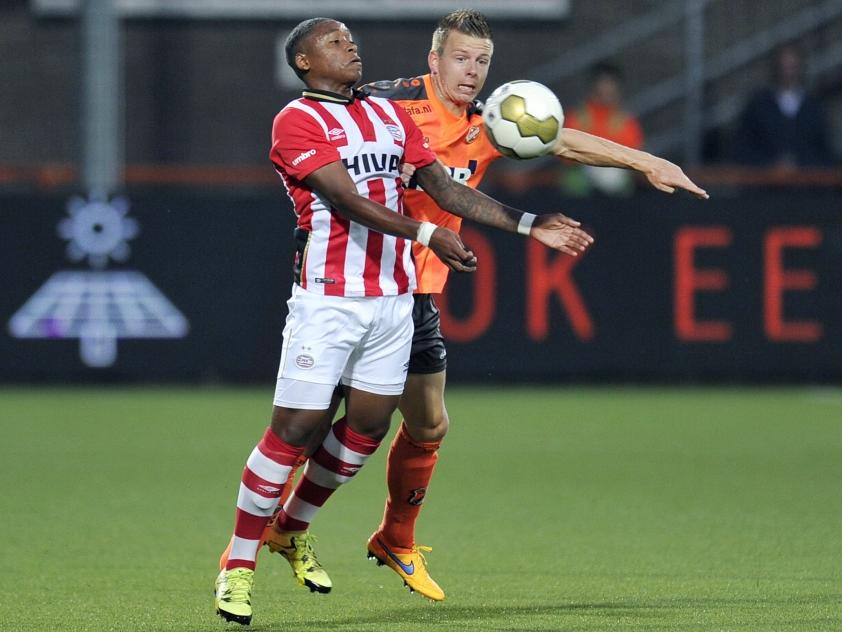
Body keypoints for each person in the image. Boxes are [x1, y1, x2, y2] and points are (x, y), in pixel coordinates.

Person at [218, 10, 708, 608]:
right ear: (433, 60)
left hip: (409, 293)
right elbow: (335, 164)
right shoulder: (390, 103)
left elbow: (558, 139)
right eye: (460, 58)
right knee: (316, 426)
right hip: (357, 283)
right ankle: (261, 546)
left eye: (482, 61)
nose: (471, 72)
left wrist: (647, 162)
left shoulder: (493, 120)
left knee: (403, 425)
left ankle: (344, 532)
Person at [735, 44, 835, 167]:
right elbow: (745, 147)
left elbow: (823, 149)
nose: (788, 72)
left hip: (807, 181)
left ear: (800, 68)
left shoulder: (814, 107)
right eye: (783, 66)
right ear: (775, 68)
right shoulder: (758, 105)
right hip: (765, 181)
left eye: (792, 67)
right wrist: (772, 165)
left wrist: (800, 164)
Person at [563, 61, 645, 196]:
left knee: (616, 179)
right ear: (593, 88)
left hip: (615, 179)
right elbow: (565, 155)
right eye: (603, 85)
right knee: (574, 181)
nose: (607, 90)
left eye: (611, 85)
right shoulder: (578, 117)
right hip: (582, 176)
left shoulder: (626, 121)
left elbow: (635, 156)